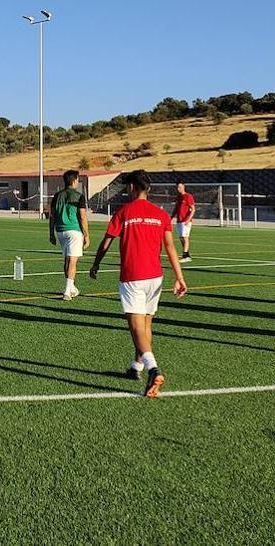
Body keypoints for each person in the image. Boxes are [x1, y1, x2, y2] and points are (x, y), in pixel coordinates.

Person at [88, 170, 186, 398]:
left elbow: (106, 242)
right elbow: (171, 248)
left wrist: (96, 264)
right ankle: (137, 367)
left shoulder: (124, 212)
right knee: (146, 325)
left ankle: (153, 369)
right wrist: (180, 277)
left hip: (133, 276)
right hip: (155, 278)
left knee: (136, 327)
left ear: (132, 187)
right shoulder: (160, 215)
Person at [48, 170, 89, 300]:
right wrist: (86, 235)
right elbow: (82, 217)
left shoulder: (57, 196)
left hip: (60, 231)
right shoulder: (78, 196)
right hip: (74, 231)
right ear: (74, 180)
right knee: (72, 261)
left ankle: (72, 288)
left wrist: (51, 233)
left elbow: (52, 216)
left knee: (67, 260)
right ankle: (67, 291)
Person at [173, 181, 196, 262]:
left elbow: (193, 209)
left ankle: (185, 256)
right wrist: (171, 217)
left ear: (183, 187)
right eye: (177, 187)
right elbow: (176, 208)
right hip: (179, 220)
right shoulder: (178, 197)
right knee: (181, 238)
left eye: (179, 187)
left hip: (186, 221)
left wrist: (188, 219)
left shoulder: (188, 196)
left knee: (185, 237)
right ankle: (187, 255)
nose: (178, 189)